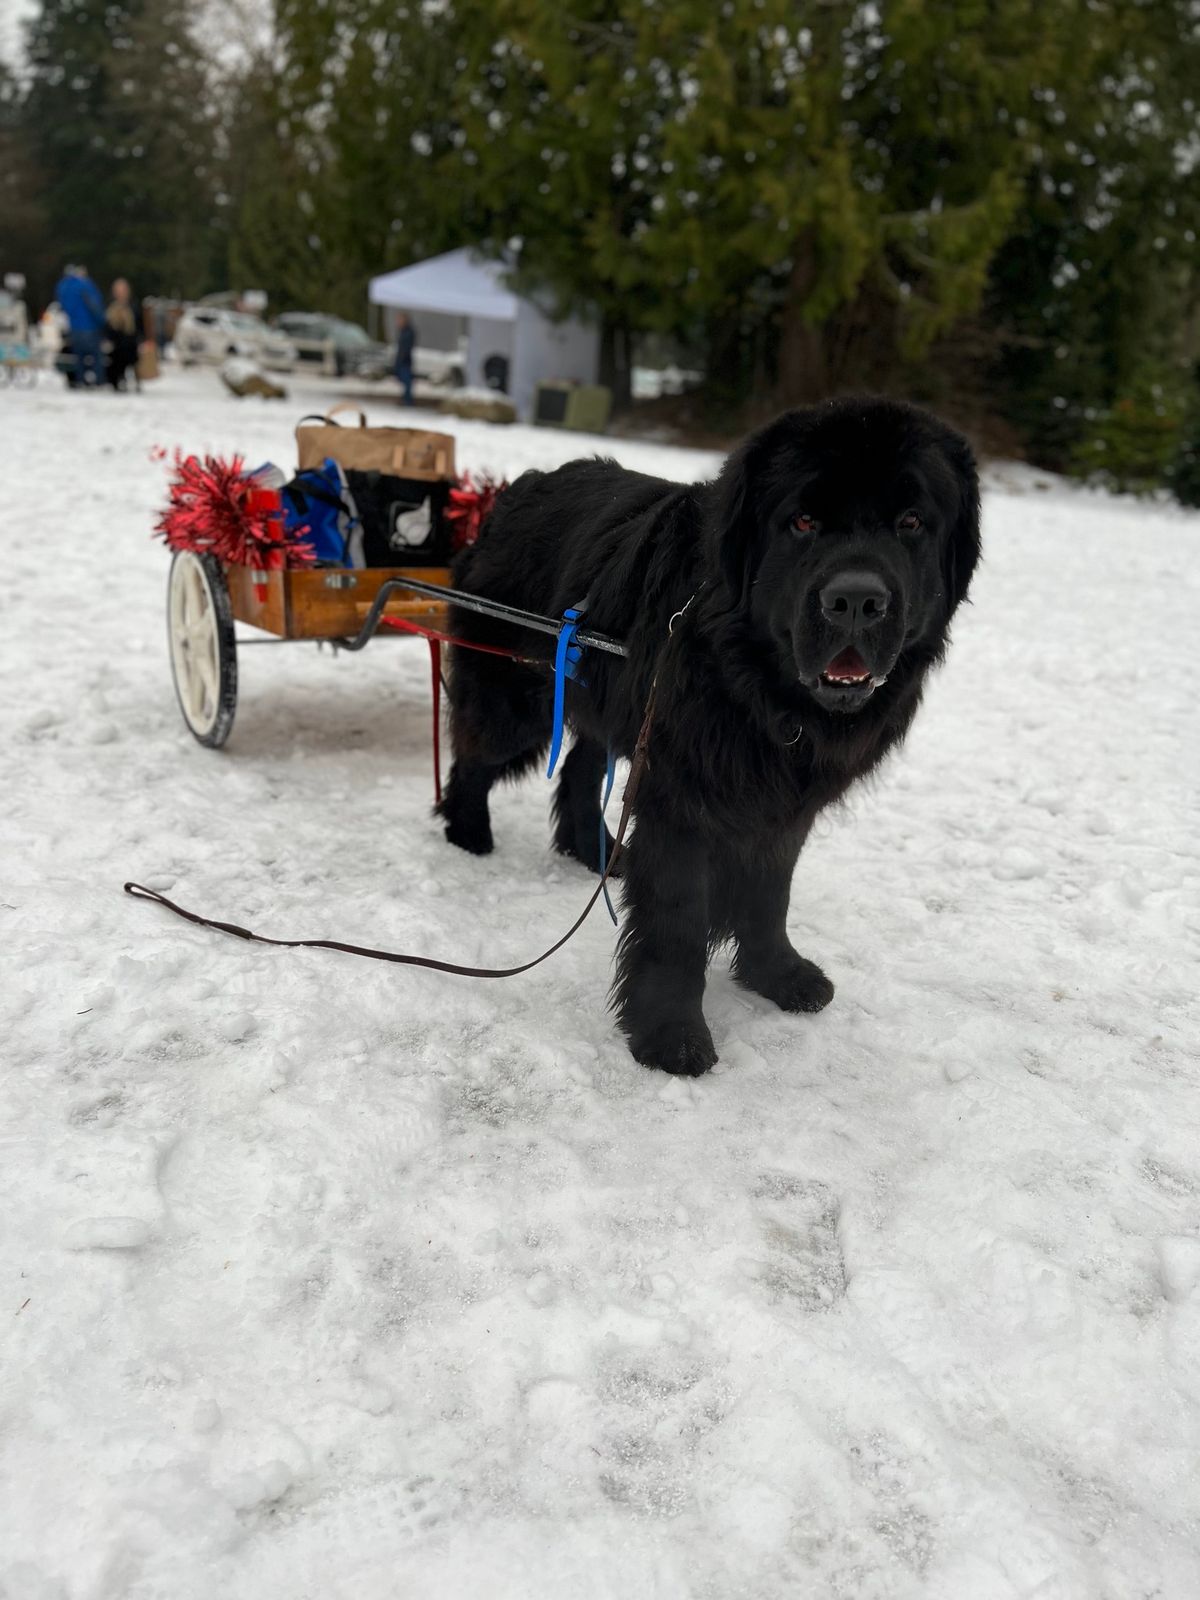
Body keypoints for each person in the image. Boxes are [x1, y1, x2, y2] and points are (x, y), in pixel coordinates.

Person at [53, 263, 106, 387]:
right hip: (89, 326)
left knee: (79, 357)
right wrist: (102, 321)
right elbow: (94, 306)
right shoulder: (84, 285)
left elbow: (63, 306)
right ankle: (99, 381)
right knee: (96, 356)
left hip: (74, 327)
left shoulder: (62, 286)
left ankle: (80, 381)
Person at [104, 278, 143, 391]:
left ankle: (134, 381)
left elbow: (139, 325)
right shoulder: (111, 307)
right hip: (116, 344)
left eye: (123, 290)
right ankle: (118, 380)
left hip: (131, 342)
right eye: (118, 290)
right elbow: (108, 327)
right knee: (116, 358)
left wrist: (141, 339)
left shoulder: (133, 306)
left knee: (131, 355)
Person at [393, 312, 416, 406]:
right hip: (402, 359)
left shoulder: (408, 332)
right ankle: (406, 399)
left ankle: (407, 400)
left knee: (407, 381)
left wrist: (401, 358)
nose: (398, 322)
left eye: (400, 320)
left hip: (405, 360)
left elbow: (406, 348)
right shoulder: (403, 331)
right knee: (403, 380)